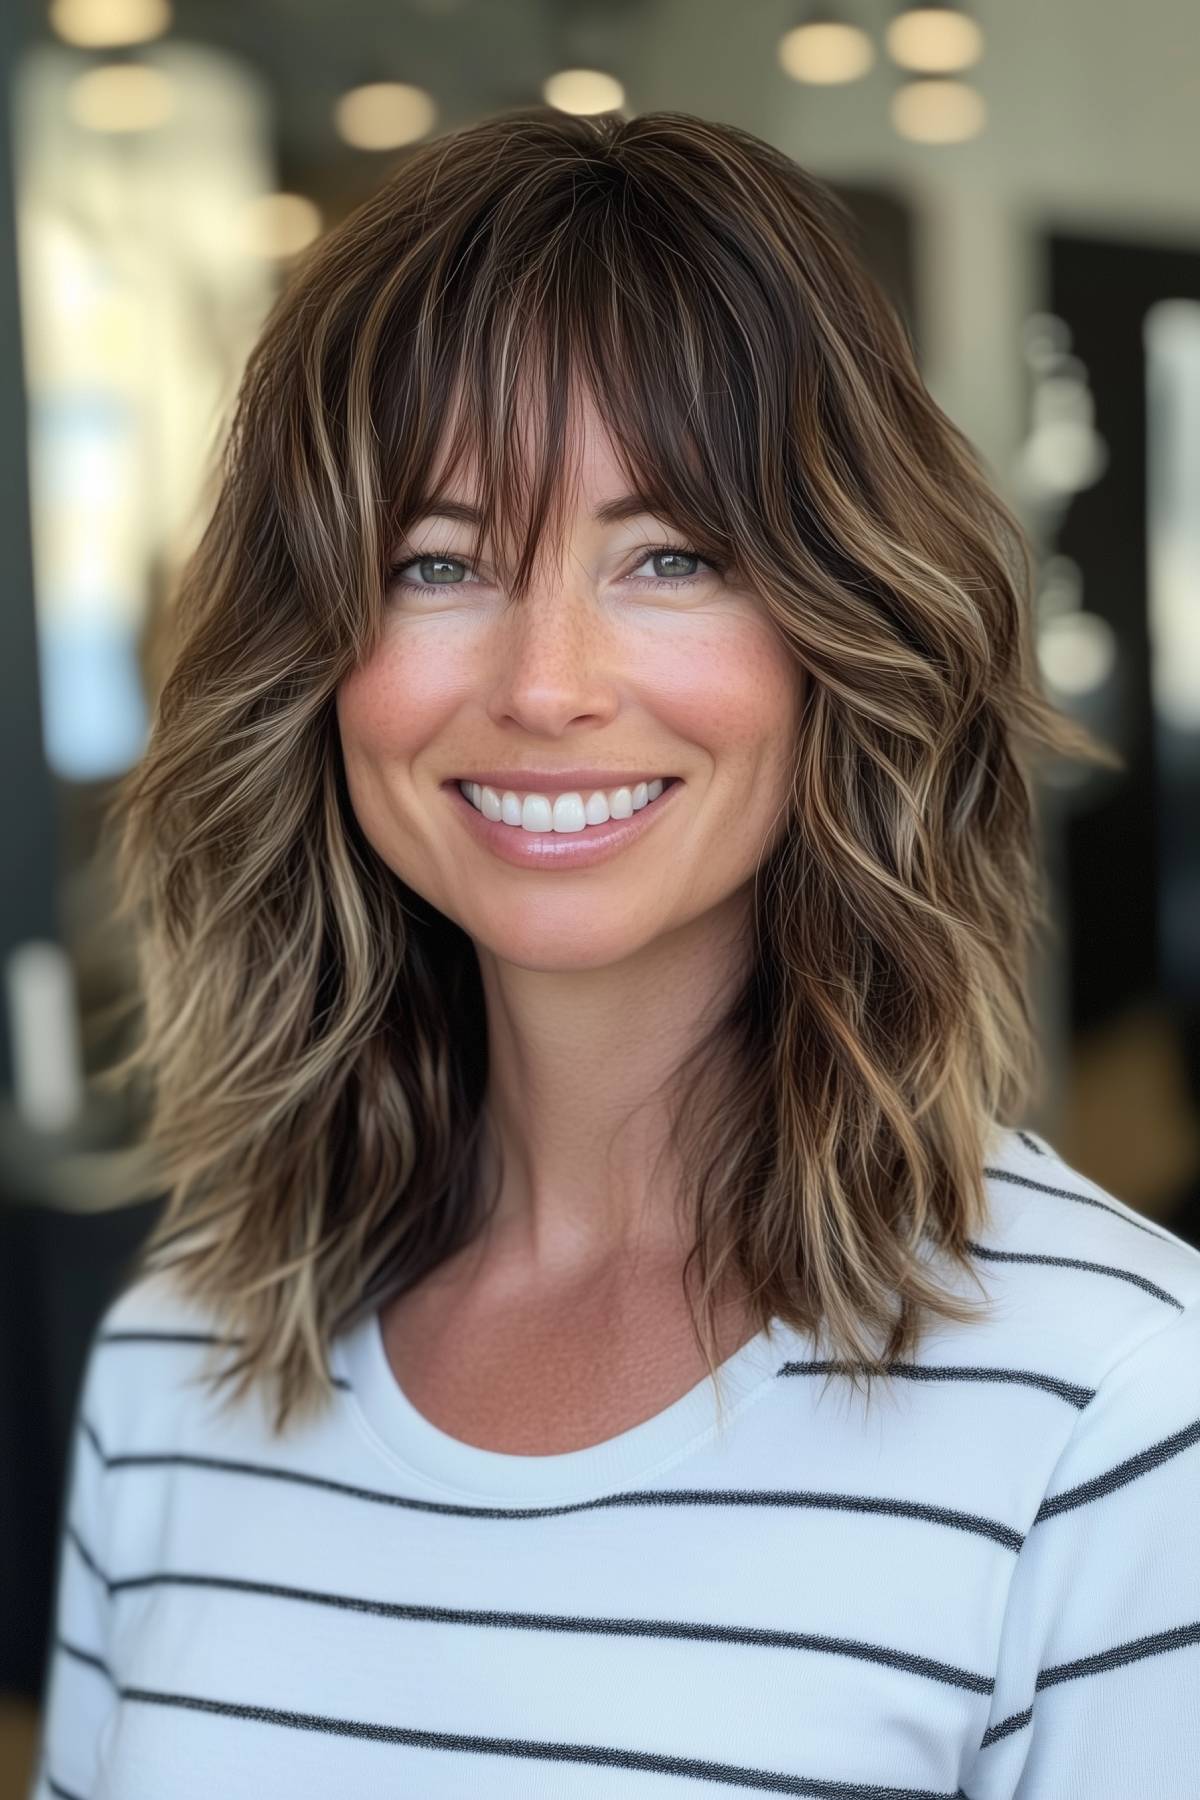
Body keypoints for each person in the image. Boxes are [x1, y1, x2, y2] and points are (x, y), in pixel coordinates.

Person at [31, 106, 1200, 1798]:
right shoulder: (179, 1358)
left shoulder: (1116, 1407)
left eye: (671, 555)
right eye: (437, 562)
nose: (548, 681)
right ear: (313, 663)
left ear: (840, 636)